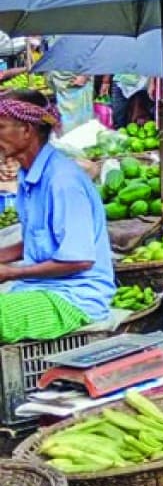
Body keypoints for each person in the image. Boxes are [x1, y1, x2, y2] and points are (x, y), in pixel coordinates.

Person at [0, 91, 114, 343]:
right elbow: (40, 238)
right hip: (37, 288)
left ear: (26, 130)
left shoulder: (63, 181)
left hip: (74, 298)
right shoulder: (29, 175)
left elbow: (79, 259)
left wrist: (10, 272)